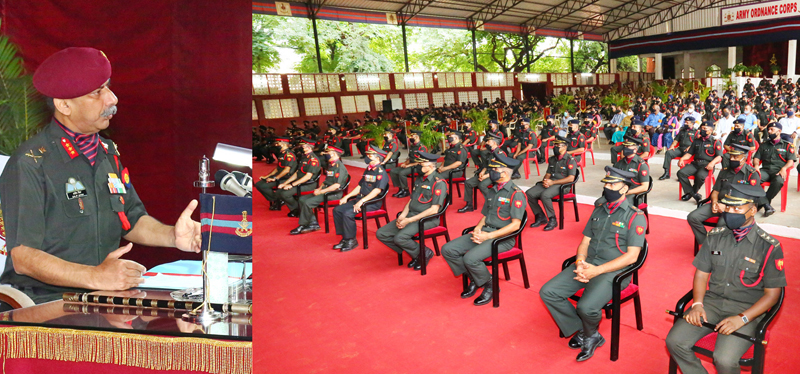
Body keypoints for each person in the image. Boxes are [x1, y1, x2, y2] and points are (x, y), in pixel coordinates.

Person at [0, 47, 202, 305]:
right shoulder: (30, 163)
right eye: (97, 92)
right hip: (46, 302)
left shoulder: (107, 152)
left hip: (103, 296)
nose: (112, 99)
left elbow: (130, 219)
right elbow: (24, 257)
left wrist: (173, 236)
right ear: (64, 105)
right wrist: (95, 277)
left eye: (108, 87)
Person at [666, 184, 786, 374]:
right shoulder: (715, 237)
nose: (730, 212)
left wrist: (743, 318)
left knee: (724, 359)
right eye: (728, 207)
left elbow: (773, 295)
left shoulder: (769, 246)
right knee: (675, 342)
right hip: (711, 303)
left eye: (737, 209)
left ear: (752, 210)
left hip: (746, 309)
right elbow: (701, 274)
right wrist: (697, 304)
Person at [539, 166, 647, 362]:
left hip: (614, 271)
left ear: (624, 189)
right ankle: (585, 330)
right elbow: (585, 242)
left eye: (613, 184)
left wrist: (597, 271)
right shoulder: (599, 210)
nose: (608, 187)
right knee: (548, 292)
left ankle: (590, 335)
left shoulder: (634, 216)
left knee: (586, 307)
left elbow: (632, 257)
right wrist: (580, 262)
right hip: (588, 264)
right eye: (606, 183)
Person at [441, 154, 525, 306]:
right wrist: (478, 229)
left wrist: (488, 236)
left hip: (503, 238)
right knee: (448, 249)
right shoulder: (493, 190)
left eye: (494, 169)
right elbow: (485, 216)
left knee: (470, 258)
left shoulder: (516, 194)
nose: (491, 171)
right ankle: (475, 277)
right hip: (486, 232)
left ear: (504, 173)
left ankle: (490, 285)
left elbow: (515, 225)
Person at [376, 151, 447, 271]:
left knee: (399, 238)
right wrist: (403, 215)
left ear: (430, 166)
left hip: (427, 219)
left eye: (421, 165)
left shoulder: (438, 182)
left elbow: (434, 210)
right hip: (411, 215)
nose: (418, 166)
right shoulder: (420, 179)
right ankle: (417, 253)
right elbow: (411, 200)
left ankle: (424, 253)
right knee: (381, 234)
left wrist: (409, 220)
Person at [687, 144, 759, 247]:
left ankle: (721, 249)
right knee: (692, 217)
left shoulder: (751, 174)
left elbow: (751, 198)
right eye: (731, 156)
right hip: (720, 203)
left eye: (736, 157)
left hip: (737, 209)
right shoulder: (724, 171)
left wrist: (727, 208)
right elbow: (715, 191)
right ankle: (705, 244)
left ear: (744, 158)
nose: (732, 159)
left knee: (721, 224)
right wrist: (714, 203)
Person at [332, 145, 389, 252]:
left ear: (377, 158)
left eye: (370, 155)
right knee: (337, 210)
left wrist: (362, 201)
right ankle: (345, 237)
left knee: (347, 213)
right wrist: (347, 196)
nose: (367, 157)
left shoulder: (381, 173)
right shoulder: (368, 170)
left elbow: (377, 191)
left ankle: (351, 240)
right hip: (360, 200)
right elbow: (359, 186)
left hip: (371, 203)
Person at [289, 145, 349, 235]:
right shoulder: (332, 165)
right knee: (302, 199)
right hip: (326, 190)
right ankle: (313, 223)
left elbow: (336, 185)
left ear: (333, 154)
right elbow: (326, 181)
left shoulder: (339, 167)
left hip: (333, 194)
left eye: (327, 153)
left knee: (307, 202)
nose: (325, 154)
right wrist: (319, 189)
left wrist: (321, 192)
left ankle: (303, 224)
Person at [525, 136, 578, 231]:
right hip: (551, 183)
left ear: (565, 147)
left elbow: (571, 178)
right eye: (555, 145)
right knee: (529, 193)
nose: (555, 147)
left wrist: (553, 182)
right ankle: (540, 216)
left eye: (558, 145)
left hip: (562, 185)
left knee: (545, 195)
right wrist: (545, 181)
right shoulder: (552, 159)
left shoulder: (570, 160)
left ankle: (552, 219)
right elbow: (548, 173)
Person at [753, 122, 795, 217]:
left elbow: (791, 162)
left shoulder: (787, 145)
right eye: (768, 129)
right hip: (765, 170)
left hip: (778, 171)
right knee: (753, 179)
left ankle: (763, 203)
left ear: (779, 131)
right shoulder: (764, 144)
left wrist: (784, 168)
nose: (769, 131)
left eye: (772, 129)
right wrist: (756, 165)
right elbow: (756, 158)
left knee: (779, 181)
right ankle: (767, 205)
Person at [458, 133, 507, 213]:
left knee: (482, 185)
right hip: (487, 172)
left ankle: (492, 203)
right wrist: (482, 171)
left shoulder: (500, 154)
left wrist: (486, 175)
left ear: (494, 143)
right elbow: (486, 164)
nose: (486, 143)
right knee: (468, 183)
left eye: (488, 141)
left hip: (496, 175)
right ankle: (469, 205)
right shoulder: (490, 152)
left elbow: (500, 169)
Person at [677, 121, 722, 202]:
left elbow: (719, 156)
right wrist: (682, 159)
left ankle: (690, 193)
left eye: (705, 129)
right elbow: (690, 153)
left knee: (700, 176)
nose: (702, 130)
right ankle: (694, 194)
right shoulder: (697, 140)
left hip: (707, 165)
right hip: (695, 164)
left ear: (710, 131)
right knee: (681, 173)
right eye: (701, 128)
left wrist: (712, 163)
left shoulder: (715, 142)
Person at [278, 138, 322, 218]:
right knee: (281, 189)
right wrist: (285, 183)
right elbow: (297, 173)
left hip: (309, 184)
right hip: (301, 181)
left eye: (304, 147)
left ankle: (297, 209)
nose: (302, 148)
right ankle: (297, 209)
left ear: (308, 148)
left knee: (285, 193)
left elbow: (308, 177)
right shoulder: (305, 157)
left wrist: (291, 185)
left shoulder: (313, 159)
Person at [256, 137, 298, 210]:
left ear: (283, 144)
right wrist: (267, 176)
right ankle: (277, 199)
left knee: (264, 186)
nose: (276, 145)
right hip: (280, 176)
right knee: (258, 184)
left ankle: (279, 200)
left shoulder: (288, 155)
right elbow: (277, 168)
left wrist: (275, 178)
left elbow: (286, 170)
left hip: (286, 177)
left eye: (278, 143)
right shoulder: (282, 154)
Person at [389, 130, 428, 198]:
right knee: (393, 171)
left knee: (402, 173)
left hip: (418, 166)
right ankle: (401, 188)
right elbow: (410, 158)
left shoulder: (421, 147)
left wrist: (409, 165)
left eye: (412, 136)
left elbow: (422, 162)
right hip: (410, 164)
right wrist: (404, 163)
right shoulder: (412, 146)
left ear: (417, 137)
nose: (410, 138)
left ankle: (406, 190)